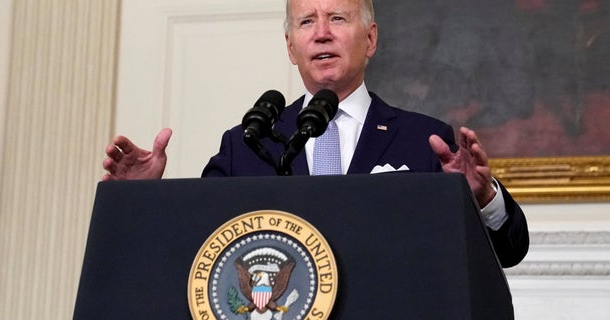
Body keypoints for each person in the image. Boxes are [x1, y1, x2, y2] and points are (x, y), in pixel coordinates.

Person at [103, 0, 529, 268]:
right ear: (291, 48)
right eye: (306, 21)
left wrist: (483, 199)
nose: (321, 32)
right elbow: (195, 252)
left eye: (337, 18)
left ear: (371, 38)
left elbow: (509, 252)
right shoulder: (246, 144)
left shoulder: (425, 139)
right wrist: (138, 201)